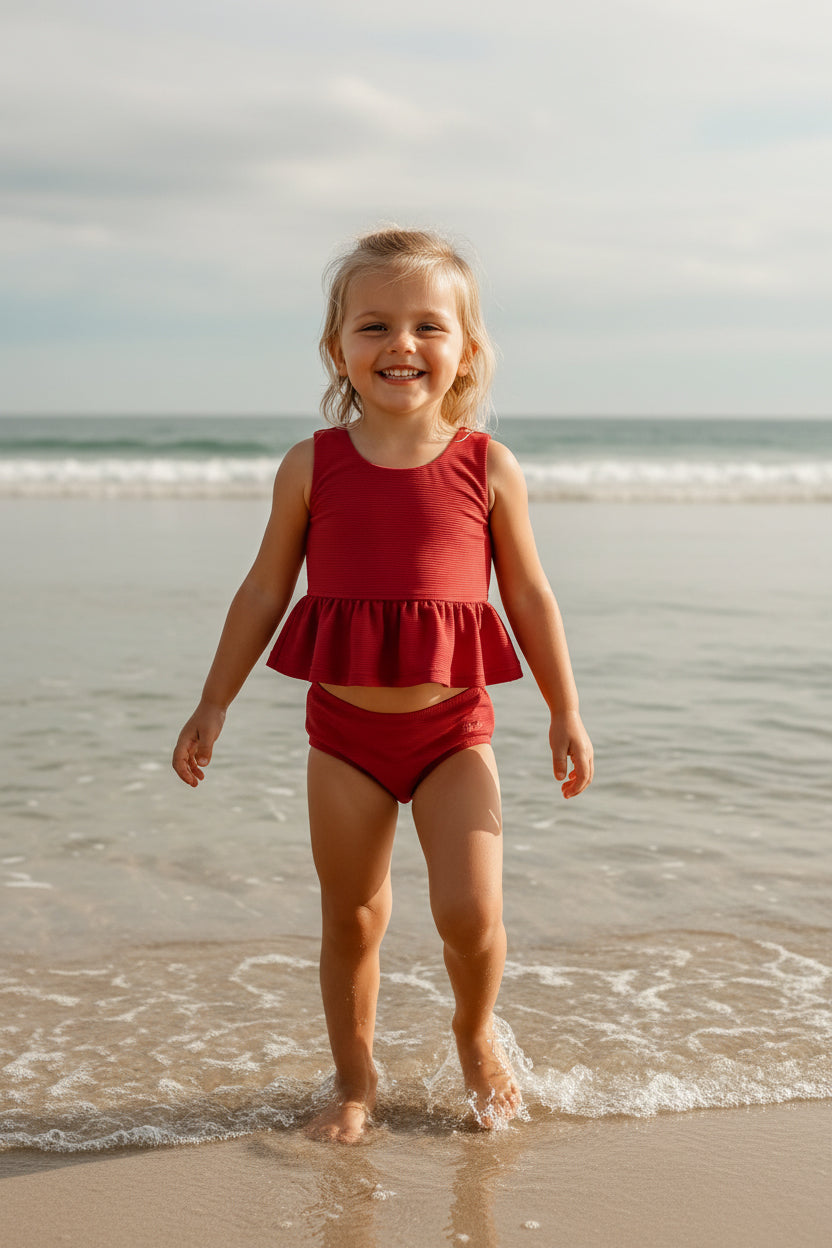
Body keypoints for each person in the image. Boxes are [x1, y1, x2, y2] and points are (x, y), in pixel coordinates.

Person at [172, 227, 594, 1143]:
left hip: (453, 732)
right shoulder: (311, 465)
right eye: (374, 325)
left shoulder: (487, 466)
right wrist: (214, 701)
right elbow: (263, 590)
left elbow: (529, 593)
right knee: (353, 918)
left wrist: (565, 708)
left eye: (427, 326)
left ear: (465, 349)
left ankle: (474, 1036)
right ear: (339, 349)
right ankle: (354, 1081)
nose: (402, 343)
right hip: (344, 739)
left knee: (470, 912)